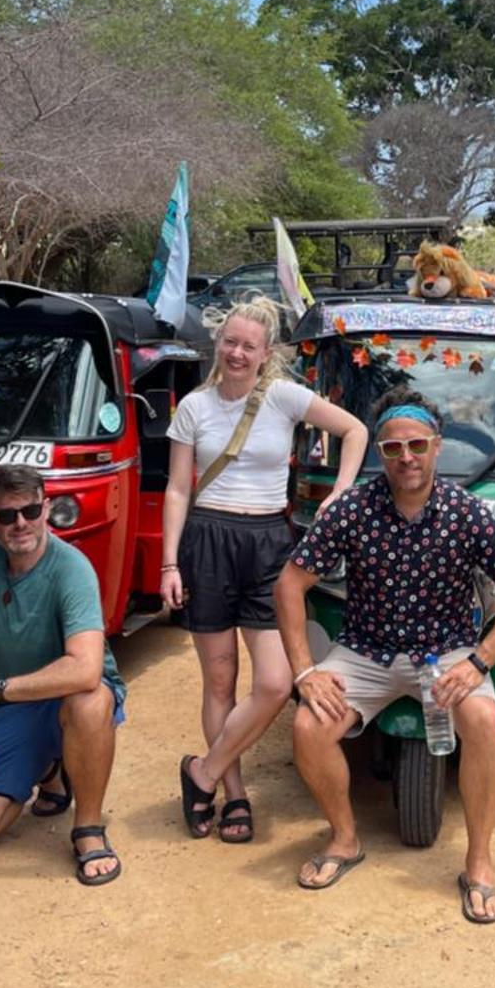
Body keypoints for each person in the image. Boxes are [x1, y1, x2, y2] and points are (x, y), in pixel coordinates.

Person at [274, 390, 495, 924]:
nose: (407, 457)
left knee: (485, 721)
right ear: (379, 451)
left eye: (417, 445)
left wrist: (478, 662)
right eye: (394, 447)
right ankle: (345, 839)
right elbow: (290, 583)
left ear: (437, 447)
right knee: (309, 726)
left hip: (447, 653)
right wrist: (305, 671)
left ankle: (479, 862)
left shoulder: (465, 513)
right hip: (366, 652)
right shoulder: (351, 510)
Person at [165, 297, 366, 843]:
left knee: (277, 683)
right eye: (230, 342)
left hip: (268, 543)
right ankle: (233, 794)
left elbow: (355, 432)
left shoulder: (282, 397)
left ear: (266, 353)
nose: (236, 353)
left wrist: (339, 496)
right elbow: (179, 488)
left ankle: (200, 772)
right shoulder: (194, 408)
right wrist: (168, 562)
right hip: (206, 540)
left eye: (248, 346)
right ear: (218, 345)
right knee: (221, 680)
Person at [0, 465, 127, 884]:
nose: (20, 523)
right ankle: (47, 770)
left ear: (45, 508)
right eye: (6, 515)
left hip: (59, 697)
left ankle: (88, 828)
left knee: (90, 699)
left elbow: (85, 668)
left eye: (30, 510)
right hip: (16, 706)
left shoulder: (71, 568)